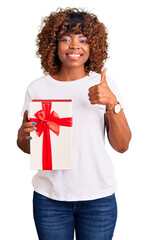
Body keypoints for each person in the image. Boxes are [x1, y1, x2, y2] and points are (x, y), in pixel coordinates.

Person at [17, 7, 131, 240]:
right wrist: (22, 136)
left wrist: (112, 103)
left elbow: (122, 145)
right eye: (65, 39)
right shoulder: (37, 88)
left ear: (93, 46)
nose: (74, 45)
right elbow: (28, 145)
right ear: (53, 44)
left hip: (98, 198)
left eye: (83, 40)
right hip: (50, 198)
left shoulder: (103, 85)